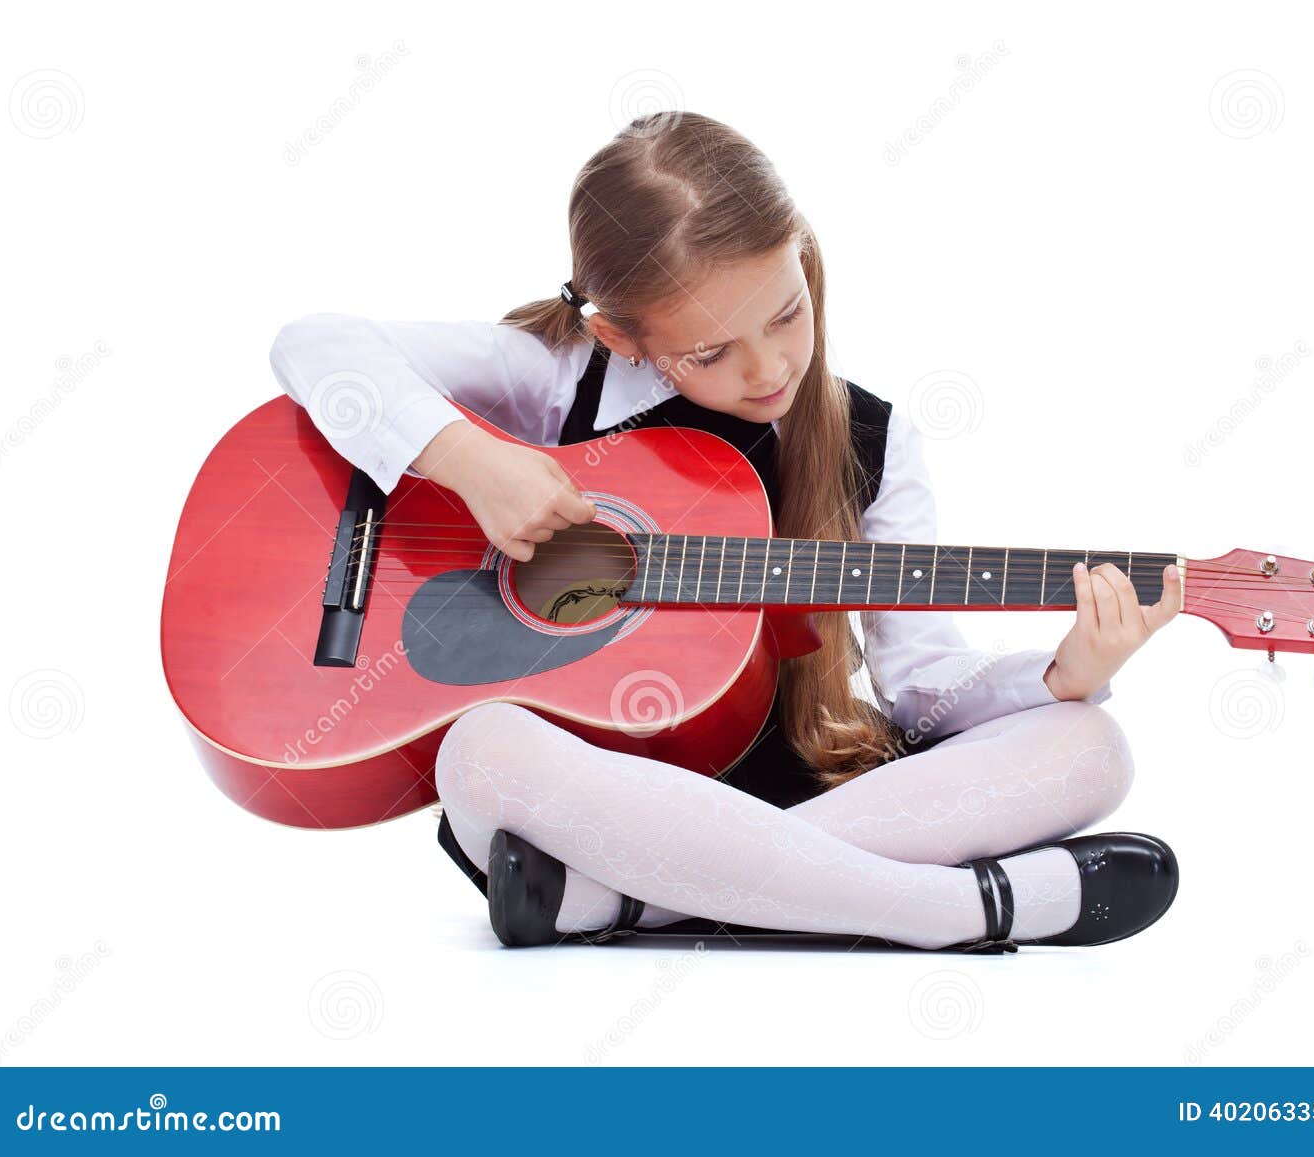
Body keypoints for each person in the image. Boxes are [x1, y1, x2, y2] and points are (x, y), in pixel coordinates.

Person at [269, 111, 1180, 953]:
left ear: (803, 255)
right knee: (479, 753)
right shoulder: (557, 374)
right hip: (594, 792)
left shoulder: (873, 439)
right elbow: (316, 343)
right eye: (711, 352)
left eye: (787, 312)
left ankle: (633, 902)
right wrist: (471, 461)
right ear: (623, 336)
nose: (771, 364)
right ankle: (950, 910)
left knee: (1089, 744)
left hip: (803, 789)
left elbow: (922, 692)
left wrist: (1063, 677)